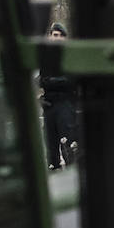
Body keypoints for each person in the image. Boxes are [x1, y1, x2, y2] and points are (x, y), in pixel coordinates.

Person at [40, 22, 80, 169]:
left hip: (65, 103)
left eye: (57, 35)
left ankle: (71, 174)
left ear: (64, 38)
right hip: (50, 105)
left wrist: (51, 82)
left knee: (68, 145)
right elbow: (41, 81)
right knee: (51, 147)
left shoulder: (69, 55)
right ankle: (54, 171)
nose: (53, 38)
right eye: (52, 35)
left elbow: (71, 80)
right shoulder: (47, 58)